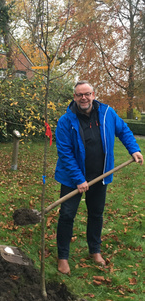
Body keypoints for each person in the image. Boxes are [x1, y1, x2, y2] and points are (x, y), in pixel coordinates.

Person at [54, 80, 143, 275]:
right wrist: (78, 178)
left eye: (87, 94)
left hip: (100, 176)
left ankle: (95, 250)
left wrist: (134, 149)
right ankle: (63, 257)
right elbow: (65, 153)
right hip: (72, 178)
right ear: (75, 97)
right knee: (67, 215)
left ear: (94, 94)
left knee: (96, 214)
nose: (83, 98)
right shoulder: (65, 121)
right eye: (79, 95)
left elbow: (124, 131)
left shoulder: (107, 113)